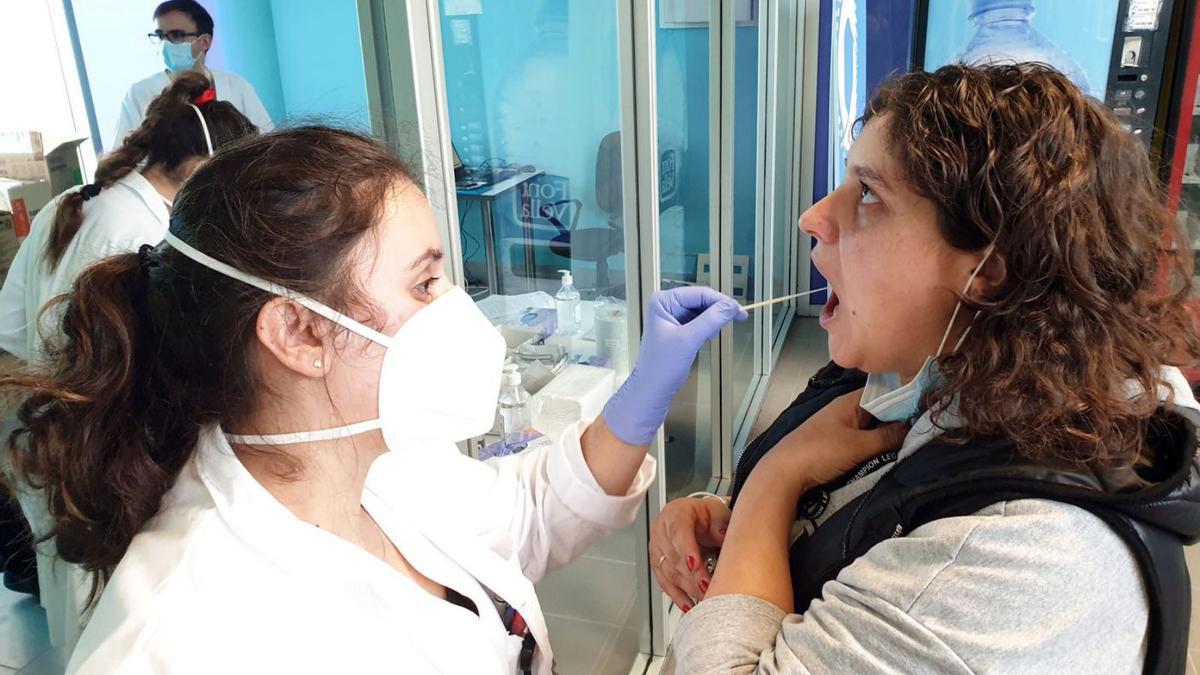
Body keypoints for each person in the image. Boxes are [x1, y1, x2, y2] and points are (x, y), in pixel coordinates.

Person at [1, 125, 745, 673]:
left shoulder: (373, 461)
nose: (456, 307)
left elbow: (524, 512)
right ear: (297, 330)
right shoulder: (179, 642)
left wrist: (645, 394)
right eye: (425, 283)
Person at [652, 63, 1200, 673]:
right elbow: (863, 506)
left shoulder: (1016, 563)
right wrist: (724, 522)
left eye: (868, 193)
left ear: (986, 271)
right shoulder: (918, 373)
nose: (813, 217)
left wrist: (770, 486)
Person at [0, 70, 255, 654]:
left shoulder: (70, 205)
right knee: (123, 615)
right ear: (197, 170)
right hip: (110, 443)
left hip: (55, 436)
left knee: (78, 601)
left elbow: (12, 327)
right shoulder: (148, 233)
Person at [111, 0, 272, 151]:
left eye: (176, 35)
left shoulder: (236, 86)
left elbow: (269, 142)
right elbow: (121, 157)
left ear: (204, 42)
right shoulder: (140, 93)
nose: (165, 44)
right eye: (160, 35)